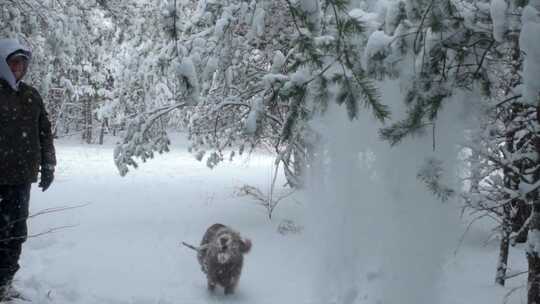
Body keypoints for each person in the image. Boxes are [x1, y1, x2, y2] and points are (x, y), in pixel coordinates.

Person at [0, 38, 56, 300]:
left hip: (22, 178)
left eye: (22, 63)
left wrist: (48, 165)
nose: (18, 68)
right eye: (13, 63)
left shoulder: (31, 95)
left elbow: (44, 132)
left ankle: (4, 282)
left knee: (16, 232)